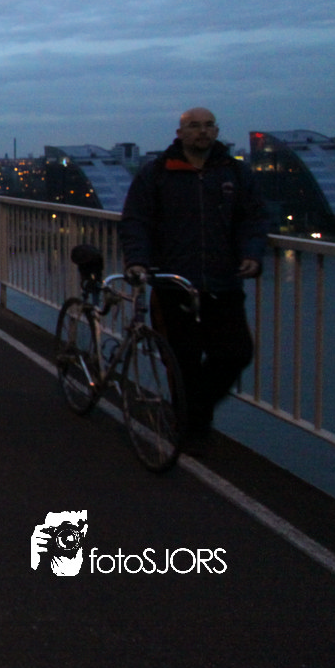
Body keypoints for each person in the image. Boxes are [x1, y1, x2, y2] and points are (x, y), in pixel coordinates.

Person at [120, 106, 268, 454]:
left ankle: (192, 413)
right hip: (173, 284)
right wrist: (138, 260)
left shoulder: (235, 172)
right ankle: (192, 429)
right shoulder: (158, 173)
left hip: (223, 283)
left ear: (216, 131)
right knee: (182, 360)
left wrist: (252, 253)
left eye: (208, 126)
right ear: (180, 133)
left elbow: (253, 218)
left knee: (235, 353)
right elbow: (136, 220)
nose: (202, 131)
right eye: (194, 126)